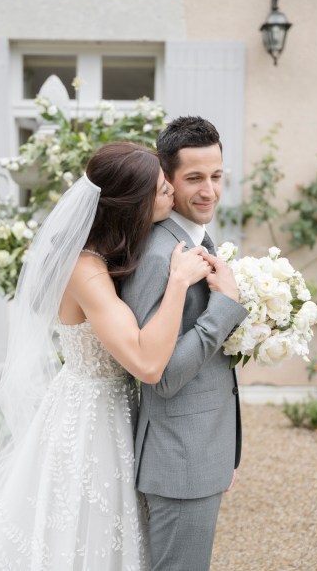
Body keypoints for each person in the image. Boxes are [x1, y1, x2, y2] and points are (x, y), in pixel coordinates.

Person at [0, 142, 213, 570]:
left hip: (118, 408)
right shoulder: (85, 269)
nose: (172, 194)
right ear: (131, 203)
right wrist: (179, 282)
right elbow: (146, 363)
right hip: (91, 417)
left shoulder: (115, 254)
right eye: (162, 189)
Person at [121, 117, 249, 571]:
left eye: (216, 176)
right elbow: (164, 375)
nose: (209, 191)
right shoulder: (160, 255)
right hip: (180, 462)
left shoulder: (196, 237)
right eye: (194, 178)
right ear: (167, 181)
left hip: (202, 450)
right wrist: (226, 308)